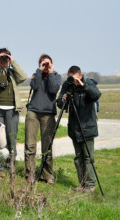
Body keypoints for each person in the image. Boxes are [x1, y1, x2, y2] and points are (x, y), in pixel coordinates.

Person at [57, 66, 101, 194]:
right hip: (74, 127)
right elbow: (59, 103)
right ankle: (82, 183)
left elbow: (96, 95)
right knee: (78, 157)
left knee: (88, 157)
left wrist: (83, 85)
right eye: (70, 77)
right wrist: (63, 99)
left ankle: (90, 184)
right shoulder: (68, 85)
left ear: (80, 75)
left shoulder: (88, 83)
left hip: (87, 126)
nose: (72, 80)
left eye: (74, 78)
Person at [24, 54, 61, 185]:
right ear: (39, 65)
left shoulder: (56, 76)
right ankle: (30, 173)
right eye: (43, 63)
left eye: (48, 63)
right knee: (30, 145)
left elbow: (53, 89)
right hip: (33, 112)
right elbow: (34, 86)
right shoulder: (36, 74)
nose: (46, 66)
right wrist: (40, 71)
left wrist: (50, 73)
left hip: (48, 114)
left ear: (52, 64)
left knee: (47, 146)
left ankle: (47, 174)